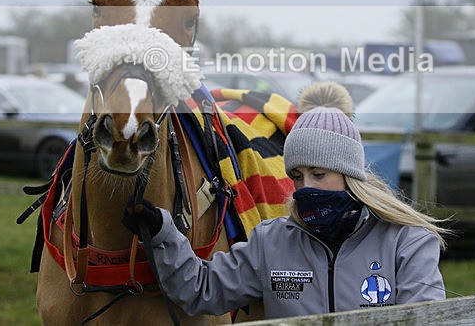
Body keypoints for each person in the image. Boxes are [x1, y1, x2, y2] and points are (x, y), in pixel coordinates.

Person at [123, 80, 448, 319]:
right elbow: (202, 290)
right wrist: (162, 233)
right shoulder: (272, 241)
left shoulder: (407, 242)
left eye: (318, 175)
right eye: (296, 176)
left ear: (349, 174)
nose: (305, 187)